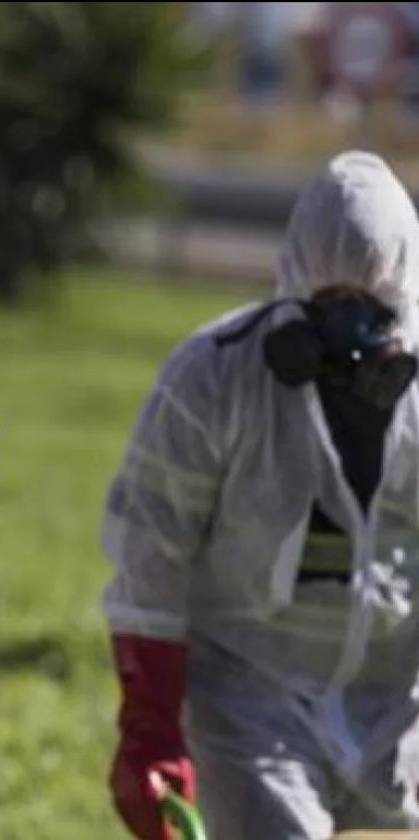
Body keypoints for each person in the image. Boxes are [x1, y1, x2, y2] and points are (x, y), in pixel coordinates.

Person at [100, 148, 419, 840]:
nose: (349, 328)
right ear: (293, 282)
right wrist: (148, 730)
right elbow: (151, 560)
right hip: (251, 693)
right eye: (329, 301)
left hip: (399, 700)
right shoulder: (213, 379)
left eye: (371, 302)